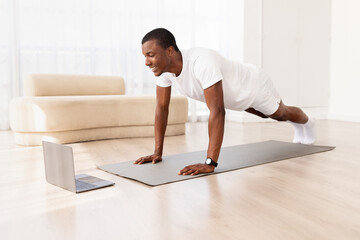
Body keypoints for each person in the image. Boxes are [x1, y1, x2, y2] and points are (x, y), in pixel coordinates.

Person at [134, 28, 316, 176]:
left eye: (150, 55)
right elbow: (162, 108)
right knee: (267, 115)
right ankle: (300, 127)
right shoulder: (164, 71)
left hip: (253, 85)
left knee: (279, 114)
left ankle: (308, 123)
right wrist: (157, 152)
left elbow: (217, 111)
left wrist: (210, 162)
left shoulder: (201, 61)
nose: (147, 62)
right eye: (145, 56)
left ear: (170, 51)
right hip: (235, 98)